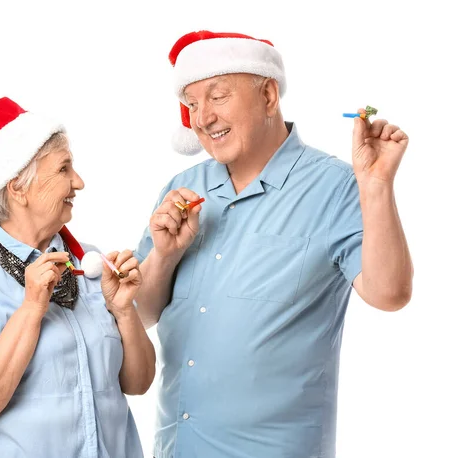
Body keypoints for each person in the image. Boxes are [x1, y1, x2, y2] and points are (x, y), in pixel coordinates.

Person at [133, 30, 413, 458]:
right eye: (191, 104)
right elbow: (141, 312)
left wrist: (375, 188)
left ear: (267, 95)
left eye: (217, 96)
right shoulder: (182, 189)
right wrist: (165, 257)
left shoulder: (334, 186)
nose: (202, 118)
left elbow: (389, 294)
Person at [0, 96, 155, 458]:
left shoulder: (90, 263)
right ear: (17, 186)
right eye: (64, 169)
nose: (79, 182)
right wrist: (32, 308)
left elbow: (139, 382)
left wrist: (125, 311)